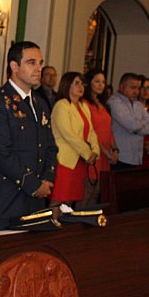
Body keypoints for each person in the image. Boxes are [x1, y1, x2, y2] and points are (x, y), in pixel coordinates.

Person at [0, 41, 57, 230]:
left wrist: (47, 179)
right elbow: (0, 152)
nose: (38, 69)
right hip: (3, 201)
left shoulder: (39, 103)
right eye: (31, 62)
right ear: (14, 66)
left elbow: (50, 146)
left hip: (33, 202)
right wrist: (34, 184)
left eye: (40, 63)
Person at [49, 72, 100, 209]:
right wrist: (88, 153)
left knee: (70, 203)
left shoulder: (84, 106)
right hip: (64, 161)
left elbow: (91, 132)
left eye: (82, 83)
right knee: (58, 200)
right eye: (76, 83)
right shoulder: (61, 106)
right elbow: (69, 135)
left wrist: (95, 150)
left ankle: (66, 229)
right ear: (67, 85)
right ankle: (53, 227)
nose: (81, 87)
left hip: (79, 162)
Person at [107, 73, 149, 169]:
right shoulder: (114, 102)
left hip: (136, 157)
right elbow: (132, 125)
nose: (136, 92)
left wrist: (136, 127)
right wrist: (140, 125)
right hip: (121, 157)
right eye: (133, 88)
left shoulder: (137, 104)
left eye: (138, 88)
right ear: (121, 87)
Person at [82, 68, 118, 201]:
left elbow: (109, 130)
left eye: (103, 82)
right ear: (89, 83)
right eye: (97, 81)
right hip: (94, 152)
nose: (100, 85)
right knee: (87, 192)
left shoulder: (103, 105)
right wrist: (105, 152)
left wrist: (114, 149)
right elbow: (90, 132)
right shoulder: (84, 104)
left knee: (97, 193)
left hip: (105, 155)